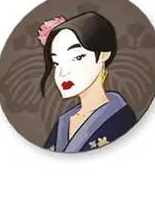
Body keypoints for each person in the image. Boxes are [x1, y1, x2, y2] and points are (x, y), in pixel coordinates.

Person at [39, 12, 136, 152]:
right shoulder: (64, 122)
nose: (62, 73)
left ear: (103, 55)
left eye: (77, 58)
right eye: (56, 63)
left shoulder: (121, 118)